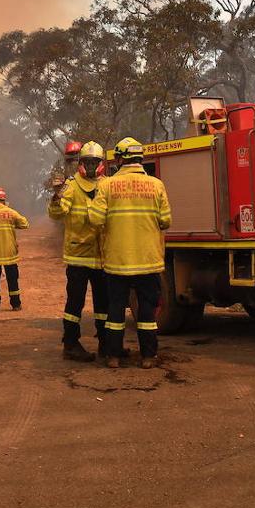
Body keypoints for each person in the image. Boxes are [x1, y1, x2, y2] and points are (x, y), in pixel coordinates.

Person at [89, 137, 172, 369]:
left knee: (115, 309)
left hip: (118, 261)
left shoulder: (106, 185)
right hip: (148, 261)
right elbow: (166, 221)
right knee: (146, 309)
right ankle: (148, 357)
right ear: (140, 158)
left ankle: (113, 357)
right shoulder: (157, 185)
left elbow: (95, 219)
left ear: (118, 158)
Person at [48, 141, 107, 362]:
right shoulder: (71, 186)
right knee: (75, 303)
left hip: (101, 256)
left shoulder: (107, 185)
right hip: (78, 256)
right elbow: (57, 213)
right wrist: (56, 197)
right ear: (80, 163)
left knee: (104, 304)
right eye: (87, 162)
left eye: (94, 162)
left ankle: (106, 343)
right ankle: (71, 344)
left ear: (101, 163)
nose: (91, 166)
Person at [0, 187, 29, 313]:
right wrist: (12, 223)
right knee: (12, 279)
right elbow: (25, 224)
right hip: (10, 252)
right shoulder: (11, 212)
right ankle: (16, 304)